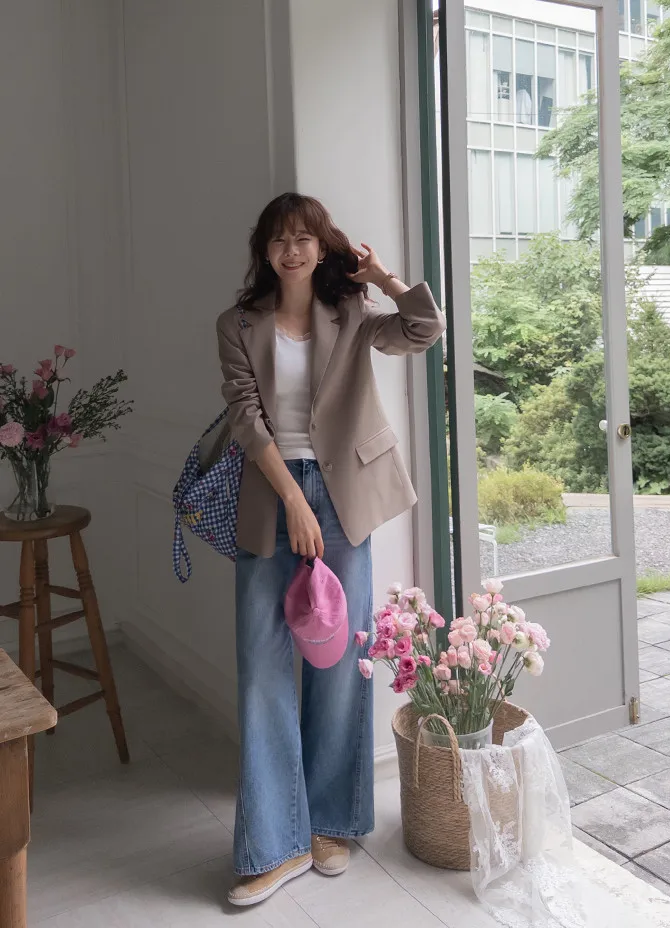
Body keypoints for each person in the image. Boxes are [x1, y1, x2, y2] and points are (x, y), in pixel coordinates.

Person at [216, 192, 446, 906]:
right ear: (264, 250)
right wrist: (292, 498)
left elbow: (424, 330)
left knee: (339, 661)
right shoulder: (237, 323)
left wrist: (384, 279)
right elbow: (246, 418)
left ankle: (330, 823)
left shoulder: (349, 311)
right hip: (272, 493)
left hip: (346, 493)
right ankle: (271, 845)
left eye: (304, 238)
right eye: (279, 240)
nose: (292, 251)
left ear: (322, 247)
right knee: (261, 668)